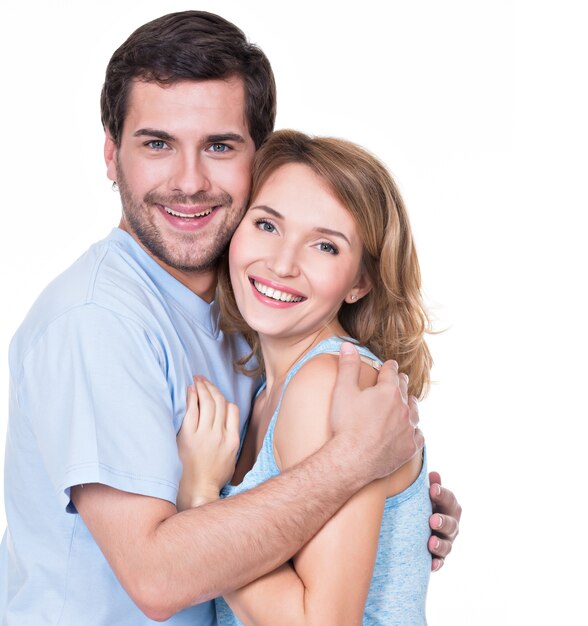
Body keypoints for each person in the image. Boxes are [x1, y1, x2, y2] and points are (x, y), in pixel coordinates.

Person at [0, 10, 461, 625]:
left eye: (219, 146)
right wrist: (355, 464)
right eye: (157, 144)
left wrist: (395, 517)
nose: (189, 182)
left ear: (256, 159)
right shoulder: (95, 321)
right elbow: (159, 578)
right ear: (111, 155)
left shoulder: (247, 317)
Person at [177, 129, 435, 625]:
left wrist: (203, 502)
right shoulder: (265, 390)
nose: (282, 262)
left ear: (361, 281)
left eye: (324, 246)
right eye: (268, 226)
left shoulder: (326, 385)